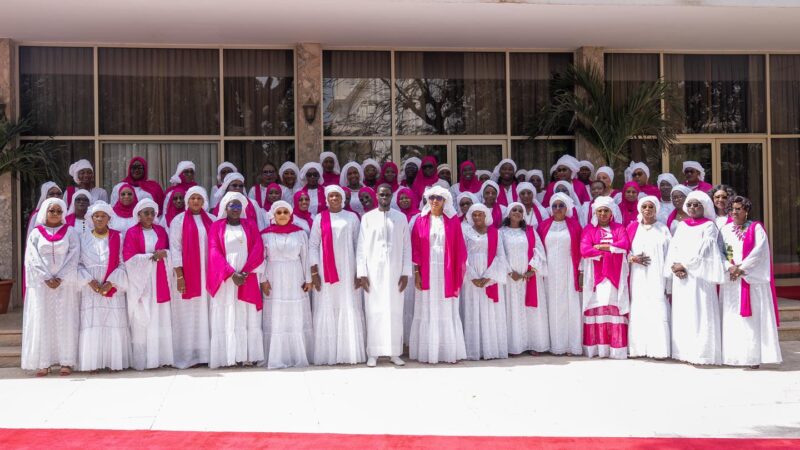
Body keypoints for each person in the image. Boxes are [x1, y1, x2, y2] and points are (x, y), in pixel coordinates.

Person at [719, 196, 782, 368]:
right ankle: (733, 357)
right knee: (732, 318)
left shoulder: (756, 228)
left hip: (751, 281)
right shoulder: (724, 230)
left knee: (751, 321)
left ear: (746, 210)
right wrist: (729, 267)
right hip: (731, 282)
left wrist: (741, 268)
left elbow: (759, 252)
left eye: (738, 209)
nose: (734, 212)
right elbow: (720, 252)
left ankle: (752, 357)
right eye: (732, 208)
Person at [665, 191, 725, 365]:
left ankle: (702, 353)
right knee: (684, 313)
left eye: (696, 204)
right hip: (681, 277)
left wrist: (685, 265)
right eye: (689, 204)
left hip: (700, 277)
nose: (692, 207)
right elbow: (673, 248)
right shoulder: (682, 226)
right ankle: (683, 352)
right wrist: (675, 265)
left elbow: (705, 251)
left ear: (704, 206)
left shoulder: (709, 226)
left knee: (701, 312)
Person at [409, 185, 468, 364]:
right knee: (427, 307)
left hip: (446, 272)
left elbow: (459, 249)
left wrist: (458, 271)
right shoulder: (419, 220)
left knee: (445, 308)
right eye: (432, 197)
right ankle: (428, 351)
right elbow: (415, 249)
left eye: (439, 198)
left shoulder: (453, 221)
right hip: (426, 271)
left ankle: (447, 351)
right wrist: (417, 273)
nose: (435, 200)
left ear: (445, 201)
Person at [21, 198, 80, 376]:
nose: (55, 214)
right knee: (43, 320)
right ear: (44, 212)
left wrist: (60, 277)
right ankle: (43, 362)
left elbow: (74, 254)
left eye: (59, 211)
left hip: (65, 284)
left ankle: (66, 361)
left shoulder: (70, 232)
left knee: (65, 320)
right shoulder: (35, 234)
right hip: (42, 286)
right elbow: (31, 258)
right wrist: (46, 277)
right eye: (51, 211)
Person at [206, 192, 266, 368]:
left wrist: (245, 272)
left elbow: (258, 247)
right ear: (225, 207)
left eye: (239, 206)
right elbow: (213, 251)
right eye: (232, 206)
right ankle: (227, 356)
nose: (236, 209)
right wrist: (231, 273)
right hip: (225, 278)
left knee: (246, 314)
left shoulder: (250, 225)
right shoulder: (216, 226)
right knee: (228, 312)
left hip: (247, 275)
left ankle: (248, 355)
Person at [309, 185, 366, 365]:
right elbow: (312, 246)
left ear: (343, 199)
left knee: (348, 305)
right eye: (331, 196)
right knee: (327, 306)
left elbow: (360, 245)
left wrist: (360, 271)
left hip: (348, 271)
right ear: (327, 199)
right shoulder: (319, 218)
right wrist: (314, 272)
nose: (334, 199)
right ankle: (328, 354)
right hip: (326, 272)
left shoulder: (352, 218)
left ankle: (348, 353)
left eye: (337, 196)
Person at [357, 185, 412, 367]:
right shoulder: (367, 218)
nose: (384, 197)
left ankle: (394, 352)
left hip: (396, 272)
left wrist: (405, 273)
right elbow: (361, 248)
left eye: (388, 194)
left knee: (395, 312)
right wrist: (362, 273)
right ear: (377, 196)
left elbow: (406, 247)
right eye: (381, 194)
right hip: (373, 272)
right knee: (374, 311)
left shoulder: (401, 218)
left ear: (392, 196)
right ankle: (373, 353)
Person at [77, 202, 131, 372]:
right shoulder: (82, 237)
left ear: (109, 218)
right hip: (90, 288)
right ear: (91, 218)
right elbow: (78, 264)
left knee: (113, 322)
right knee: (92, 323)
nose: (99, 219)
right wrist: (89, 281)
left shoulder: (118, 237)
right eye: (96, 216)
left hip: (112, 287)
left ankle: (113, 361)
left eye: (103, 216)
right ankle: (92, 362)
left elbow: (123, 263)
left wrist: (111, 282)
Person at [261, 201, 314, 369]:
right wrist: (262, 280)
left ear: (291, 215)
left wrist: (308, 279)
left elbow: (305, 257)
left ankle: (297, 355)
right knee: (276, 314)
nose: (282, 215)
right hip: (273, 275)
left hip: (295, 276)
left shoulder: (300, 234)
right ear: (273, 216)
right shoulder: (265, 235)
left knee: (295, 315)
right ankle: (277, 356)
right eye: (279, 212)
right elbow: (261, 259)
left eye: (286, 212)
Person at [123, 198, 174, 370]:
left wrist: (164, 253)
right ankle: (142, 360)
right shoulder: (131, 232)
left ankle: (160, 357)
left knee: (159, 315)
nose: (150, 216)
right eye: (146, 213)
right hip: (141, 280)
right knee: (143, 316)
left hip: (159, 278)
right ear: (138, 215)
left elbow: (169, 251)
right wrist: (151, 256)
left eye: (153, 213)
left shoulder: (161, 230)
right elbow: (128, 259)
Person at [169, 186, 214, 369]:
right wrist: (180, 275)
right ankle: (188, 355)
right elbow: (175, 248)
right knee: (189, 314)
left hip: (208, 273)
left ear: (204, 201)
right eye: (192, 198)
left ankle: (206, 353)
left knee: (207, 312)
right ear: (187, 201)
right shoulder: (178, 221)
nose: (196, 201)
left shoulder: (211, 219)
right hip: (188, 274)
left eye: (199, 198)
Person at [580, 196, 630, 359]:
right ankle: (598, 349)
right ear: (595, 212)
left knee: (614, 307)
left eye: (606, 210)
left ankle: (616, 349)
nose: (603, 213)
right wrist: (610, 251)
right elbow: (585, 249)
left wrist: (602, 247)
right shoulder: (589, 229)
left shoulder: (619, 227)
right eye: (600, 211)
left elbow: (624, 245)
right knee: (598, 307)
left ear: (611, 212)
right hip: (595, 276)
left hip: (616, 274)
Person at [626, 196, 672, 359]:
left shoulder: (663, 229)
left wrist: (668, 282)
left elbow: (670, 255)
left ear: (656, 209)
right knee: (639, 307)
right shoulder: (632, 228)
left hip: (657, 275)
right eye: (644, 206)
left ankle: (658, 349)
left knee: (656, 307)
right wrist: (632, 258)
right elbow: (623, 251)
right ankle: (638, 349)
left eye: (650, 207)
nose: (647, 209)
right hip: (637, 276)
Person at [461, 203, 509, 361]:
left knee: (489, 312)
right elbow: (462, 254)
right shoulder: (465, 231)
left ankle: (490, 349)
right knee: (472, 309)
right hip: (470, 276)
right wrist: (473, 275)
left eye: (480, 214)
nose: (476, 217)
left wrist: (488, 277)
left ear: (486, 215)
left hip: (490, 275)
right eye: (474, 215)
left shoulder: (495, 233)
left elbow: (500, 256)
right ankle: (473, 350)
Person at [501, 202, 549, 355]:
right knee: (512, 310)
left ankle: (534, 344)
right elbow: (498, 254)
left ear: (524, 215)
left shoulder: (530, 231)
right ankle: (514, 346)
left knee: (530, 311)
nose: (517, 212)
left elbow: (539, 251)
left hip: (528, 278)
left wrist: (532, 270)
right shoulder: (500, 232)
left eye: (520, 210)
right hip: (509, 279)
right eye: (514, 210)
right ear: (508, 214)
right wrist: (510, 272)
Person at [539, 192, 583, 356]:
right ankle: (552, 343)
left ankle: (570, 345)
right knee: (551, 306)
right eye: (554, 206)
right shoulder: (543, 225)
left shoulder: (575, 226)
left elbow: (581, 250)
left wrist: (581, 272)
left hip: (568, 270)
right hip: (549, 272)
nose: (557, 209)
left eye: (561, 205)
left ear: (567, 208)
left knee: (569, 306)